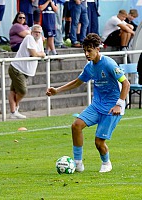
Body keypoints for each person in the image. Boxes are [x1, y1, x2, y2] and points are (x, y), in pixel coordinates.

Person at [46, 33, 130, 173]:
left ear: (98, 49)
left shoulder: (109, 64)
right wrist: (57, 90)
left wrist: (119, 104)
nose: (86, 53)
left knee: (99, 142)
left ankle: (106, 162)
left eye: (89, 50)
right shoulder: (89, 67)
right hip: (97, 106)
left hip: (112, 107)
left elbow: (126, 84)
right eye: (84, 50)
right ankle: (78, 163)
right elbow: (78, 82)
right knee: (76, 126)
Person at [8, 24, 45, 119]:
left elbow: (39, 52)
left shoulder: (40, 39)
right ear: (31, 32)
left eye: (39, 32)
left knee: (14, 90)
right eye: (35, 32)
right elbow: (34, 54)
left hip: (26, 70)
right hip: (17, 68)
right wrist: (41, 54)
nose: (37, 34)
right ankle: (15, 108)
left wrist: (40, 54)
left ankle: (13, 111)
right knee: (22, 91)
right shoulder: (29, 38)